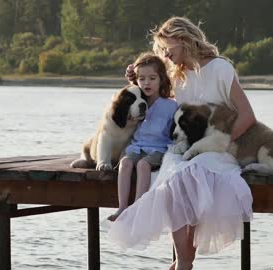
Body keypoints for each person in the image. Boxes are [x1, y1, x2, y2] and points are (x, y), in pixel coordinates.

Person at [107, 17, 256, 270]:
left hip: (219, 148)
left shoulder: (220, 69)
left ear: (184, 40)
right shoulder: (178, 75)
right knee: (172, 178)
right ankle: (183, 260)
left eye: (168, 49)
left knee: (188, 174)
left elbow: (247, 116)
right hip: (185, 148)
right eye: (162, 50)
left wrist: (221, 142)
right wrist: (135, 77)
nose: (165, 55)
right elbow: (152, 92)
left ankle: (183, 263)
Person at [107, 52, 178, 222]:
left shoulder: (170, 105)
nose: (147, 83)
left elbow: (174, 130)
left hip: (158, 148)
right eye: (142, 79)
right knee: (125, 162)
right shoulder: (138, 101)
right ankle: (122, 207)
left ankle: (138, 206)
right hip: (137, 146)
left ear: (161, 79)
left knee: (143, 165)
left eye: (152, 78)